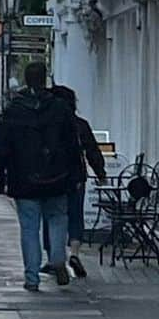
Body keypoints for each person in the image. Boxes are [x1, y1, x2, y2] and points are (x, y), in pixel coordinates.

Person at [0, 61, 80, 292]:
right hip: (57, 177)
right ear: (45, 80)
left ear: (26, 80)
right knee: (58, 219)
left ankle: (32, 277)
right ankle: (58, 259)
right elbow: (73, 145)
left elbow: (2, 148)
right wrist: (76, 175)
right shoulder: (60, 108)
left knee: (29, 228)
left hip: (24, 179)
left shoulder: (14, 110)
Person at [41, 85, 107, 279]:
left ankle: (54, 257)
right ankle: (75, 253)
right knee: (75, 215)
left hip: (51, 178)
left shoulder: (46, 124)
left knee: (51, 217)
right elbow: (92, 151)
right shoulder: (80, 125)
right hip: (76, 177)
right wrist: (100, 172)